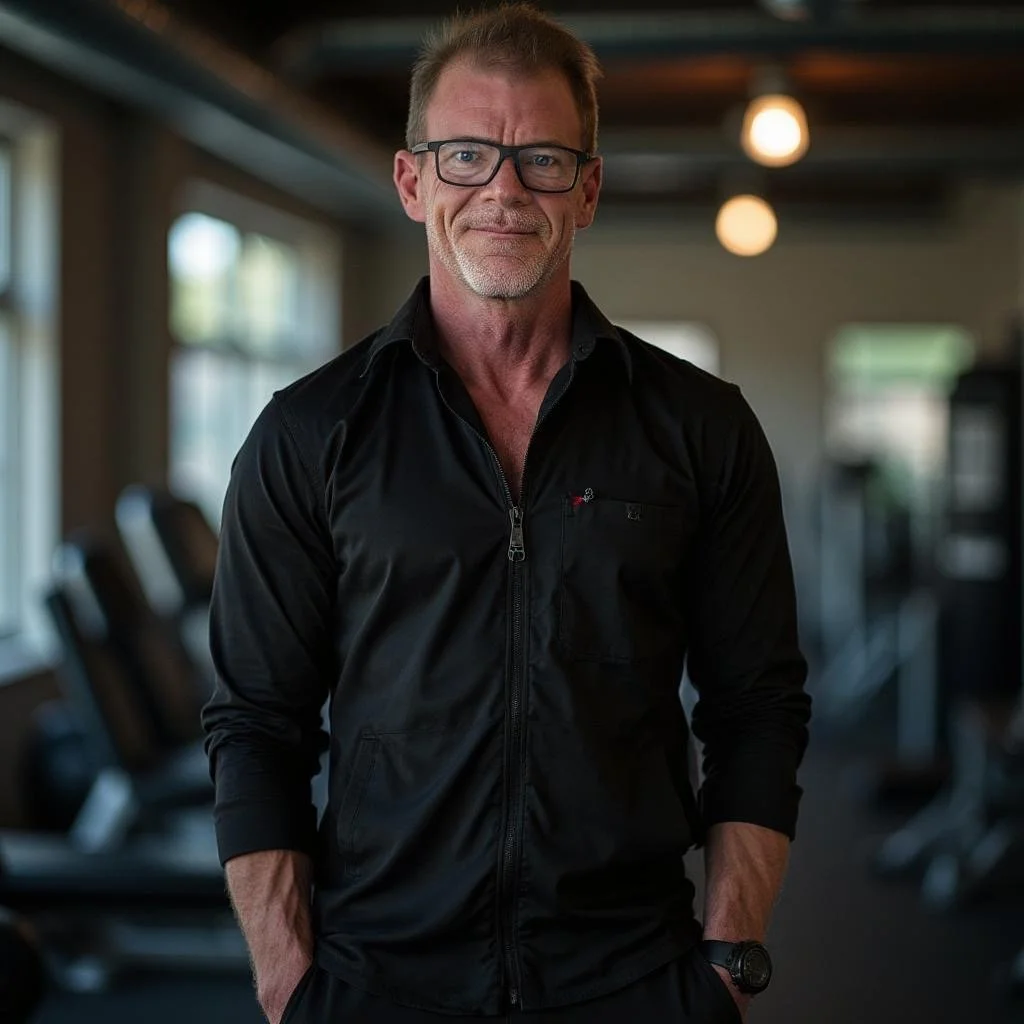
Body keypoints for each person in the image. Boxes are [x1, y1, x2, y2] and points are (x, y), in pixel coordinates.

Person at [202, 4, 812, 1023]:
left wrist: (726, 956)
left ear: (588, 188)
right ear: (411, 181)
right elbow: (254, 723)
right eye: (465, 155)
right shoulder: (307, 436)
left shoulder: (700, 429)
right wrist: (288, 978)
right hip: (376, 980)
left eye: (539, 157)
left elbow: (758, 707)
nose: (502, 189)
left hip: (635, 978)